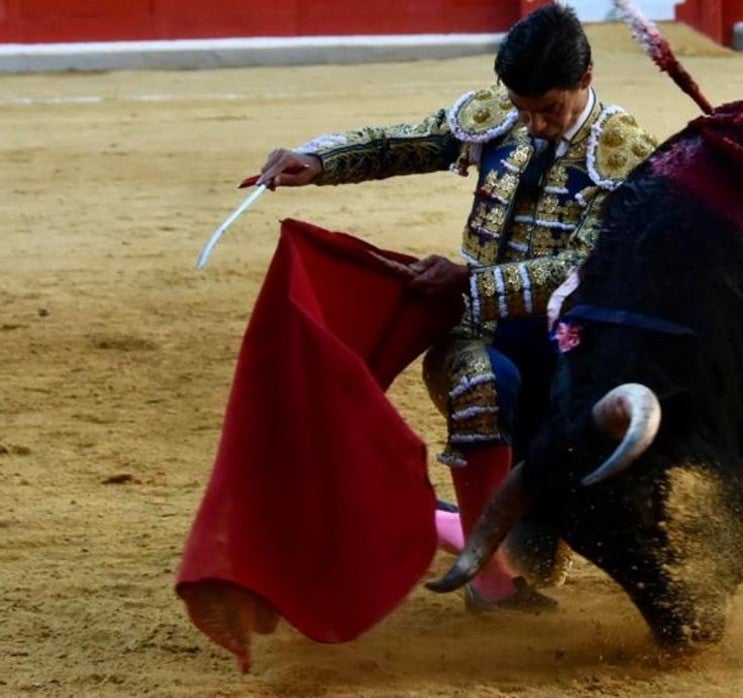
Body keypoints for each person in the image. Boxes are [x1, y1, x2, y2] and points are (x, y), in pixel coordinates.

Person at [254, 4, 657, 611]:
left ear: (587, 80)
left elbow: (582, 270)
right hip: (478, 331)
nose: (536, 125)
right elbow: (407, 143)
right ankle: (487, 585)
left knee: (545, 544)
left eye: (549, 109)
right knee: (479, 384)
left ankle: (431, 521)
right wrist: (320, 159)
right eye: (524, 109)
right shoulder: (505, 117)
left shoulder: (628, 157)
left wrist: (467, 281)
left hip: (572, 349)